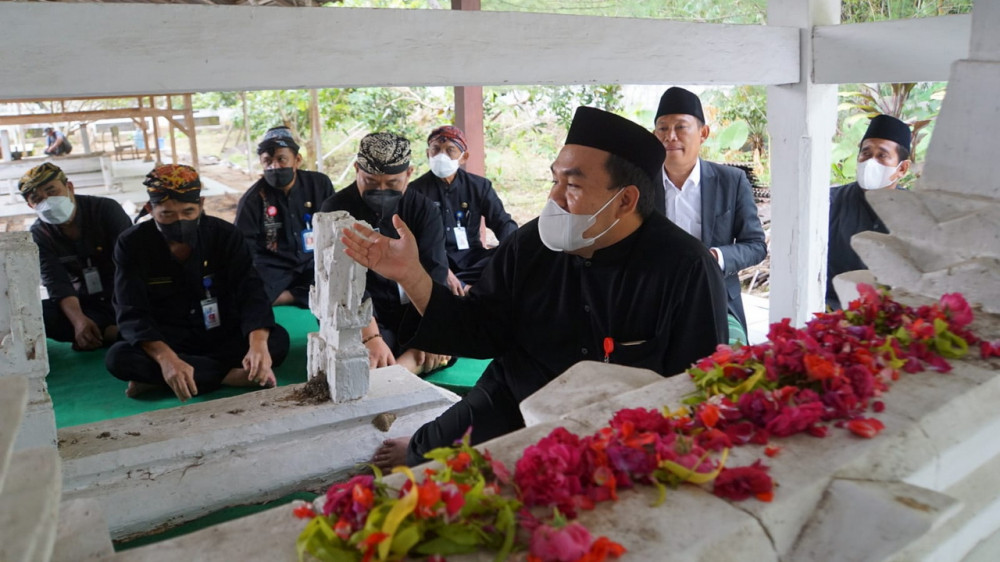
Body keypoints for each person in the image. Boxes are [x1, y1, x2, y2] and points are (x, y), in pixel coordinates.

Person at [343, 107, 729, 469]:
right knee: (427, 456)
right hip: (515, 395)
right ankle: (422, 444)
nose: (554, 198)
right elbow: (480, 330)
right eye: (554, 180)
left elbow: (697, 385)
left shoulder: (686, 267)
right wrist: (411, 275)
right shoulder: (531, 244)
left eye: (572, 185)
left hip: (620, 421)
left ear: (625, 200)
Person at [106, 164, 290, 401]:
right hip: (169, 339)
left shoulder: (225, 235)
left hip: (221, 332)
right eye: (167, 214)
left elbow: (251, 292)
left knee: (276, 340)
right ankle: (229, 376)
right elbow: (131, 311)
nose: (180, 221)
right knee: (119, 358)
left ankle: (166, 379)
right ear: (150, 209)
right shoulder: (132, 244)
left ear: (201, 204)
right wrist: (166, 359)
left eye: (188, 212)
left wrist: (257, 344)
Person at [320, 132, 451, 376]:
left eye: (392, 184)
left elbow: (435, 273)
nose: (381, 191)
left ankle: (392, 374)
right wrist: (371, 336)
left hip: (410, 308)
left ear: (408, 174)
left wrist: (429, 330)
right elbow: (341, 282)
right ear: (357, 169)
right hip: (363, 312)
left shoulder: (423, 209)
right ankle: (403, 366)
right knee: (358, 351)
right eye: (370, 182)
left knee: (448, 338)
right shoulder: (336, 210)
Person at [652, 87, 767, 339]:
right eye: (662, 128)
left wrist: (714, 258)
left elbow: (756, 245)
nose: (670, 136)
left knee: (726, 360)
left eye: (681, 127)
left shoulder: (731, 181)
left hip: (718, 301)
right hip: (655, 303)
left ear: (703, 133)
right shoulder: (640, 185)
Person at [19, 163, 130, 351]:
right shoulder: (39, 234)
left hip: (125, 295)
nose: (47, 201)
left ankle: (108, 333)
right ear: (31, 205)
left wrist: (129, 309)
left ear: (69, 187)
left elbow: (131, 263)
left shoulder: (105, 209)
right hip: (86, 303)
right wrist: (78, 320)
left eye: (52, 191)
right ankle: (110, 332)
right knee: (36, 314)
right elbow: (56, 282)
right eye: (37, 199)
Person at [408, 125, 518, 294]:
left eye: (450, 150)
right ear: (428, 153)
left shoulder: (479, 186)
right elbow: (413, 242)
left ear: (463, 157)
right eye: (436, 149)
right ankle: (465, 289)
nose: (441, 156)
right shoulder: (415, 191)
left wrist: (514, 250)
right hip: (436, 261)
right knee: (429, 273)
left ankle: (468, 288)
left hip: (473, 259)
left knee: (507, 259)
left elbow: (503, 222)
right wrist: (445, 272)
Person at [235, 126, 335, 308]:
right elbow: (243, 247)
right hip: (274, 266)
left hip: (313, 261)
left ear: (297, 160)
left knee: (341, 279)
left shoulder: (319, 184)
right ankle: (304, 295)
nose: (274, 166)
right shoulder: (252, 200)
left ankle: (287, 297)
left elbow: (335, 226)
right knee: (246, 293)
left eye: (281, 159)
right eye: (267, 161)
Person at [826, 114, 912, 310]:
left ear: (902, 169)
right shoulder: (830, 202)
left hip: (889, 314)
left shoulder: (914, 214)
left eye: (882, 155)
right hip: (832, 310)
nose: (870, 162)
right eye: (866, 153)